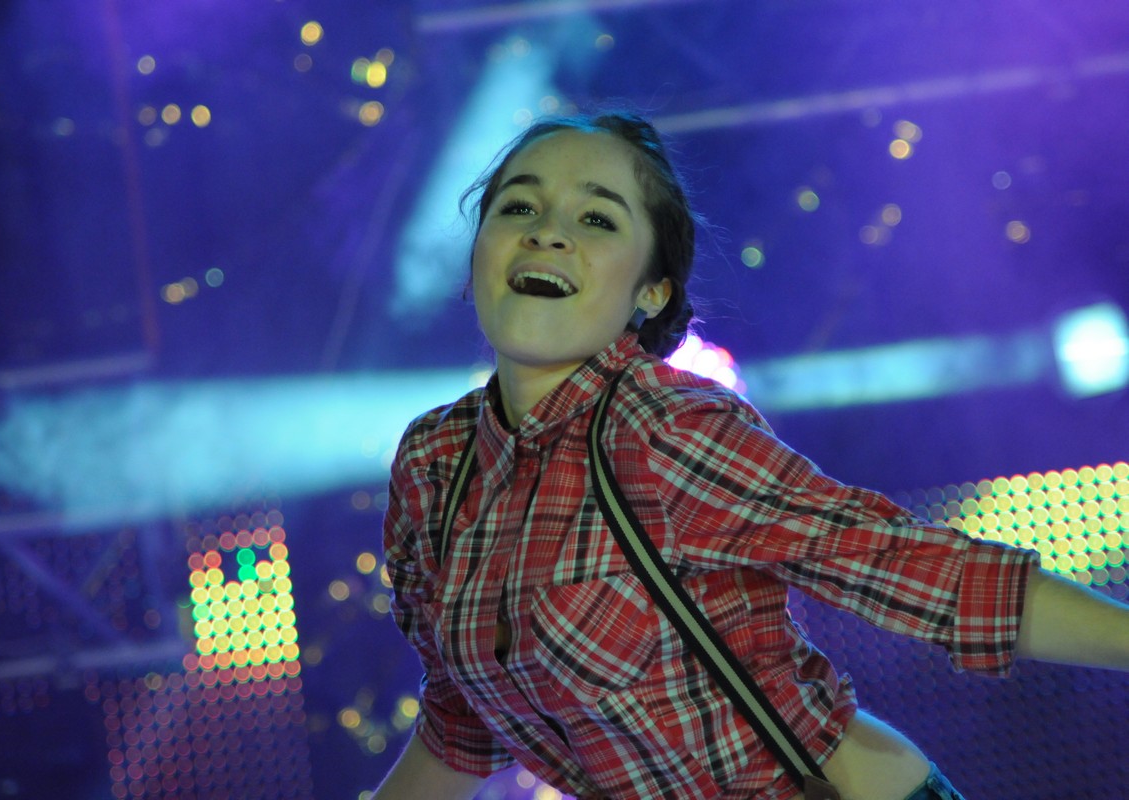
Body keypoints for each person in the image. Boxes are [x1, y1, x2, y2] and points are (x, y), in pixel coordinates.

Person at [373, 112, 1129, 800]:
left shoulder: (665, 431)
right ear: (476, 254)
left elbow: (916, 570)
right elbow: (462, 722)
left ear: (650, 292)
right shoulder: (434, 464)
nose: (547, 233)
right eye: (518, 207)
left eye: (597, 218)